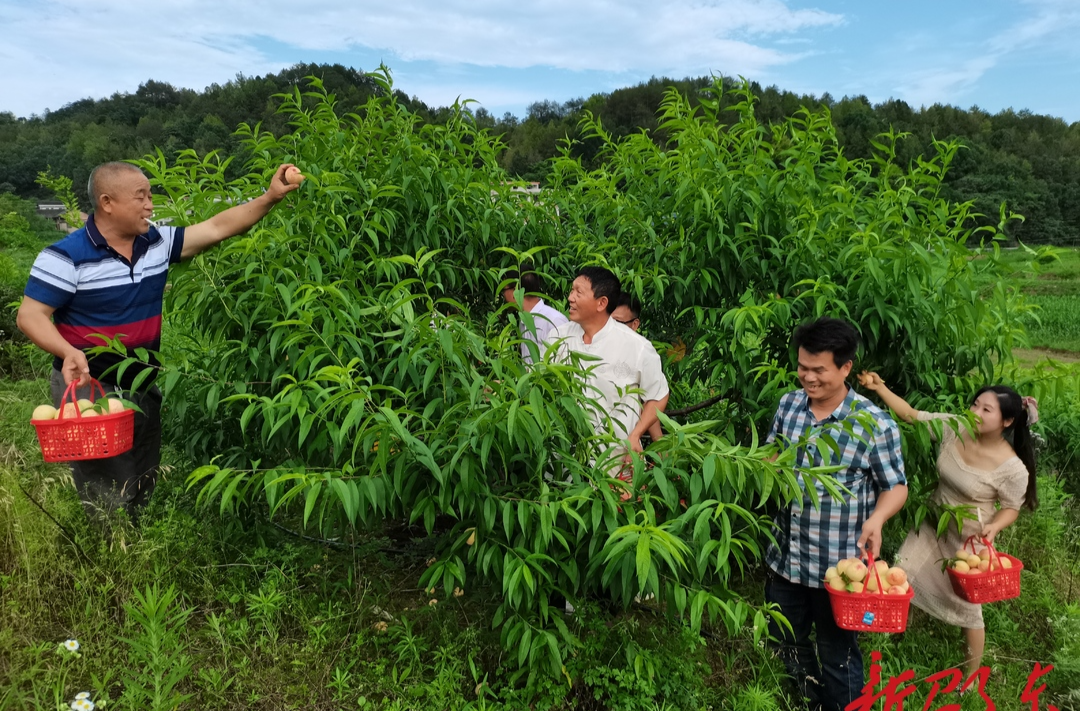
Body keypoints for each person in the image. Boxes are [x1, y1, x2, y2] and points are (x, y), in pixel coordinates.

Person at [17, 161, 300, 521]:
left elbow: (217, 227)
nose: (151, 206)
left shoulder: (156, 242)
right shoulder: (65, 256)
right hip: (90, 383)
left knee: (143, 470)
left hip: (142, 380)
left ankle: (138, 538)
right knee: (107, 486)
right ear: (107, 202)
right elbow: (30, 315)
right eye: (141, 197)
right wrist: (67, 350)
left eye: (150, 196)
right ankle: (115, 546)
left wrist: (270, 197)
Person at [763, 317, 908, 711]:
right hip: (786, 558)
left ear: (845, 368)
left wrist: (877, 519)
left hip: (838, 570)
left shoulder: (873, 423)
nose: (808, 378)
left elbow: (896, 485)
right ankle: (805, 703)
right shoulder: (789, 406)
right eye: (802, 367)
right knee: (785, 643)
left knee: (838, 656)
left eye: (818, 370)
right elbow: (772, 452)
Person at [857, 372, 1038, 677]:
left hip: (969, 538)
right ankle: (888, 641)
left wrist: (995, 526)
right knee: (903, 572)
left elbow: (1011, 508)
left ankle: (970, 677)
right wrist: (879, 387)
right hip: (933, 521)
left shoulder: (1013, 468)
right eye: (975, 404)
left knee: (968, 609)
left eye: (986, 409)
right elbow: (912, 415)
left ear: (1007, 421)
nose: (975, 412)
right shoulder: (955, 427)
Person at [543, 267, 669, 468]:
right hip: (563, 463)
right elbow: (540, 383)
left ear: (601, 303)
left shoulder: (636, 347)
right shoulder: (558, 338)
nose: (570, 298)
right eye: (572, 290)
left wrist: (636, 435)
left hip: (616, 463)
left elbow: (658, 394)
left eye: (578, 292)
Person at [611, 293, 664, 444]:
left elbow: (652, 398)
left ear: (634, 325)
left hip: (622, 447)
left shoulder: (641, 351)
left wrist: (659, 445)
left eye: (618, 322)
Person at [501, 269, 568, 363]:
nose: (503, 294)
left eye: (504, 290)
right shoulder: (523, 320)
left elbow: (566, 361)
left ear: (516, 291)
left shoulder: (554, 320)